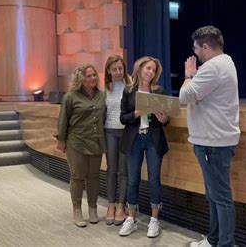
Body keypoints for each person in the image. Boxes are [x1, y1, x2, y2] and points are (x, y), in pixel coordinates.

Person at [179, 26, 240, 247]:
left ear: (205, 46)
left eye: (196, 48)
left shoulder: (212, 67)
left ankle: (224, 243)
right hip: (213, 141)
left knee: (220, 198)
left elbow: (185, 97)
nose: (195, 53)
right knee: (214, 196)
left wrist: (188, 75)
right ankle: (214, 239)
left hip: (212, 143)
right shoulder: (226, 62)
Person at [118, 56, 169, 238]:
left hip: (153, 138)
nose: (151, 72)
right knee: (133, 180)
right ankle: (131, 218)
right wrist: (137, 113)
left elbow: (165, 118)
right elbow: (123, 118)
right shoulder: (129, 91)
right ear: (139, 69)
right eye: (148, 68)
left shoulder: (158, 90)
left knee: (154, 179)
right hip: (135, 139)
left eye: (154, 70)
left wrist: (164, 119)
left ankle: (155, 220)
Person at [56, 64, 106, 228]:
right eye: (89, 76)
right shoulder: (70, 97)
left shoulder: (102, 95)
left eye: (94, 75)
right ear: (81, 79)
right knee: (77, 177)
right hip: (76, 142)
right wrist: (61, 139)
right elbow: (63, 120)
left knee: (93, 177)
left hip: (96, 142)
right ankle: (77, 210)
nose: (93, 78)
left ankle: (92, 208)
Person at [103, 54, 132, 226]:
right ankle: (111, 205)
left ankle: (122, 205)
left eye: (120, 68)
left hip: (126, 132)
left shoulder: (129, 86)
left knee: (124, 171)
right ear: (108, 70)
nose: (118, 72)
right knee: (111, 170)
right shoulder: (105, 88)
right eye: (114, 69)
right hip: (109, 132)